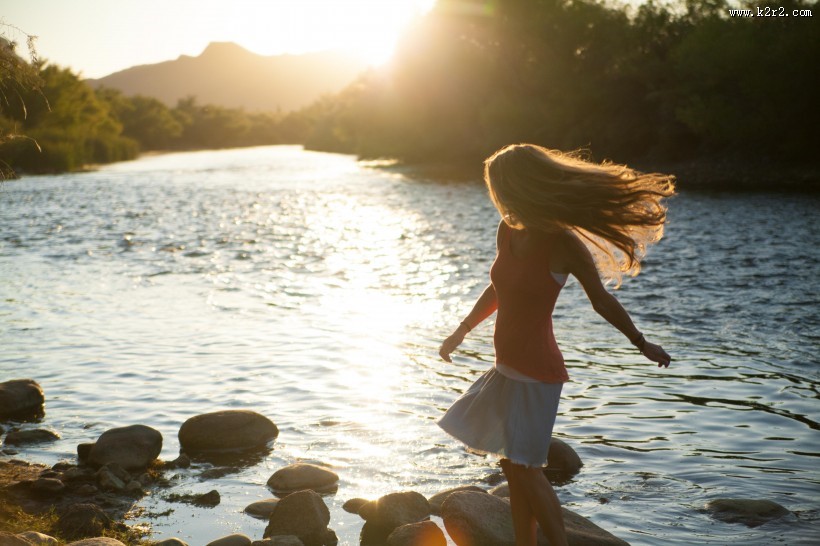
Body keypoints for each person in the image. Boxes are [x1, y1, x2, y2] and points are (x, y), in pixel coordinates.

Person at [437, 143, 674, 546]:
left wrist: (640, 342)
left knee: (527, 468)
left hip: (537, 373)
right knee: (512, 468)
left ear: (519, 186)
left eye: (499, 186)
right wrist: (461, 330)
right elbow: (499, 288)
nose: (496, 195)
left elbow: (601, 300)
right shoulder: (508, 229)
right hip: (506, 368)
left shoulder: (561, 244)